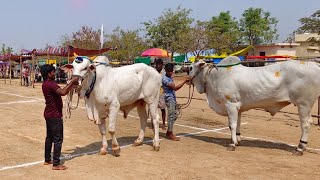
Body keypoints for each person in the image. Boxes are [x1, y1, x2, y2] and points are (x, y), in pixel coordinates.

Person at [40, 64, 79, 170]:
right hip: (54, 115)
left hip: (49, 114)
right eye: (53, 72)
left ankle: (47, 159)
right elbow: (62, 92)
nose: (54, 73)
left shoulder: (45, 84)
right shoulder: (51, 84)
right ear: (48, 74)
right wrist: (72, 82)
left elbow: (61, 90)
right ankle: (56, 164)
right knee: (58, 139)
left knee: (49, 138)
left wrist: (70, 85)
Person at [162, 63, 190, 141]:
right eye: (169, 71)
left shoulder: (170, 77)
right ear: (166, 71)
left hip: (173, 98)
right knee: (171, 115)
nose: (171, 73)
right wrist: (184, 81)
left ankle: (169, 131)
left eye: (172, 71)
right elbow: (175, 88)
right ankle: (170, 133)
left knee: (175, 115)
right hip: (169, 99)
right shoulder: (165, 79)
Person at [153, 58, 167, 130]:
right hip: (153, 91)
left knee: (162, 108)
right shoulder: (153, 72)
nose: (158, 66)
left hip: (161, 90)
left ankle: (163, 123)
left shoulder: (164, 73)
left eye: (160, 65)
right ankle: (153, 123)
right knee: (153, 108)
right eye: (157, 64)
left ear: (162, 65)